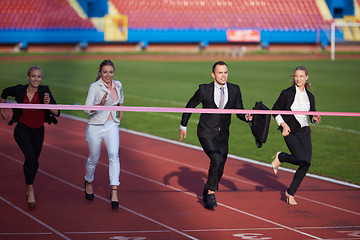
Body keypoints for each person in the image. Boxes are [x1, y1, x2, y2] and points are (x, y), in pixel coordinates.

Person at [179, 61, 252, 209]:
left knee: (220, 164)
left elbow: (239, 110)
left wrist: (246, 117)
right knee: (217, 159)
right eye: (220, 72)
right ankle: (211, 193)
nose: (223, 75)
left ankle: (207, 190)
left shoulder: (235, 89)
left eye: (225, 72)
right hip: (206, 132)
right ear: (213, 75)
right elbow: (190, 105)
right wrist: (183, 125)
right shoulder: (204, 89)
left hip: (223, 134)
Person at [0, 66, 60, 209]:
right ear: (28, 77)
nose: (36, 79)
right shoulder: (20, 89)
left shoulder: (45, 90)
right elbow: (4, 92)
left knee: (35, 162)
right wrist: (2, 110)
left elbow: (57, 112)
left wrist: (47, 104)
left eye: (39, 76)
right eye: (33, 76)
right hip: (22, 129)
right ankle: (30, 188)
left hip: (38, 131)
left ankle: (29, 183)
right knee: (31, 158)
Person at [271, 66, 321, 206]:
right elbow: (275, 110)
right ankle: (281, 157)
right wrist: (283, 125)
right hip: (289, 130)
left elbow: (312, 113)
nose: (298, 79)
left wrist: (315, 118)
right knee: (301, 158)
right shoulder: (287, 93)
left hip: (304, 130)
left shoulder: (310, 96)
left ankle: (290, 193)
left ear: (306, 78)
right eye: (296, 76)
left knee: (306, 162)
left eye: (301, 76)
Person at [84, 59, 124, 209]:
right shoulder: (94, 87)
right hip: (95, 125)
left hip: (111, 125)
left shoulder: (118, 84)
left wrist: (120, 115)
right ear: (100, 73)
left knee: (114, 155)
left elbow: (121, 101)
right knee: (93, 158)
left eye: (111, 72)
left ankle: (114, 191)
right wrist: (99, 105)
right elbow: (87, 109)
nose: (108, 75)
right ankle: (88, 181)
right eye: (105, 72)